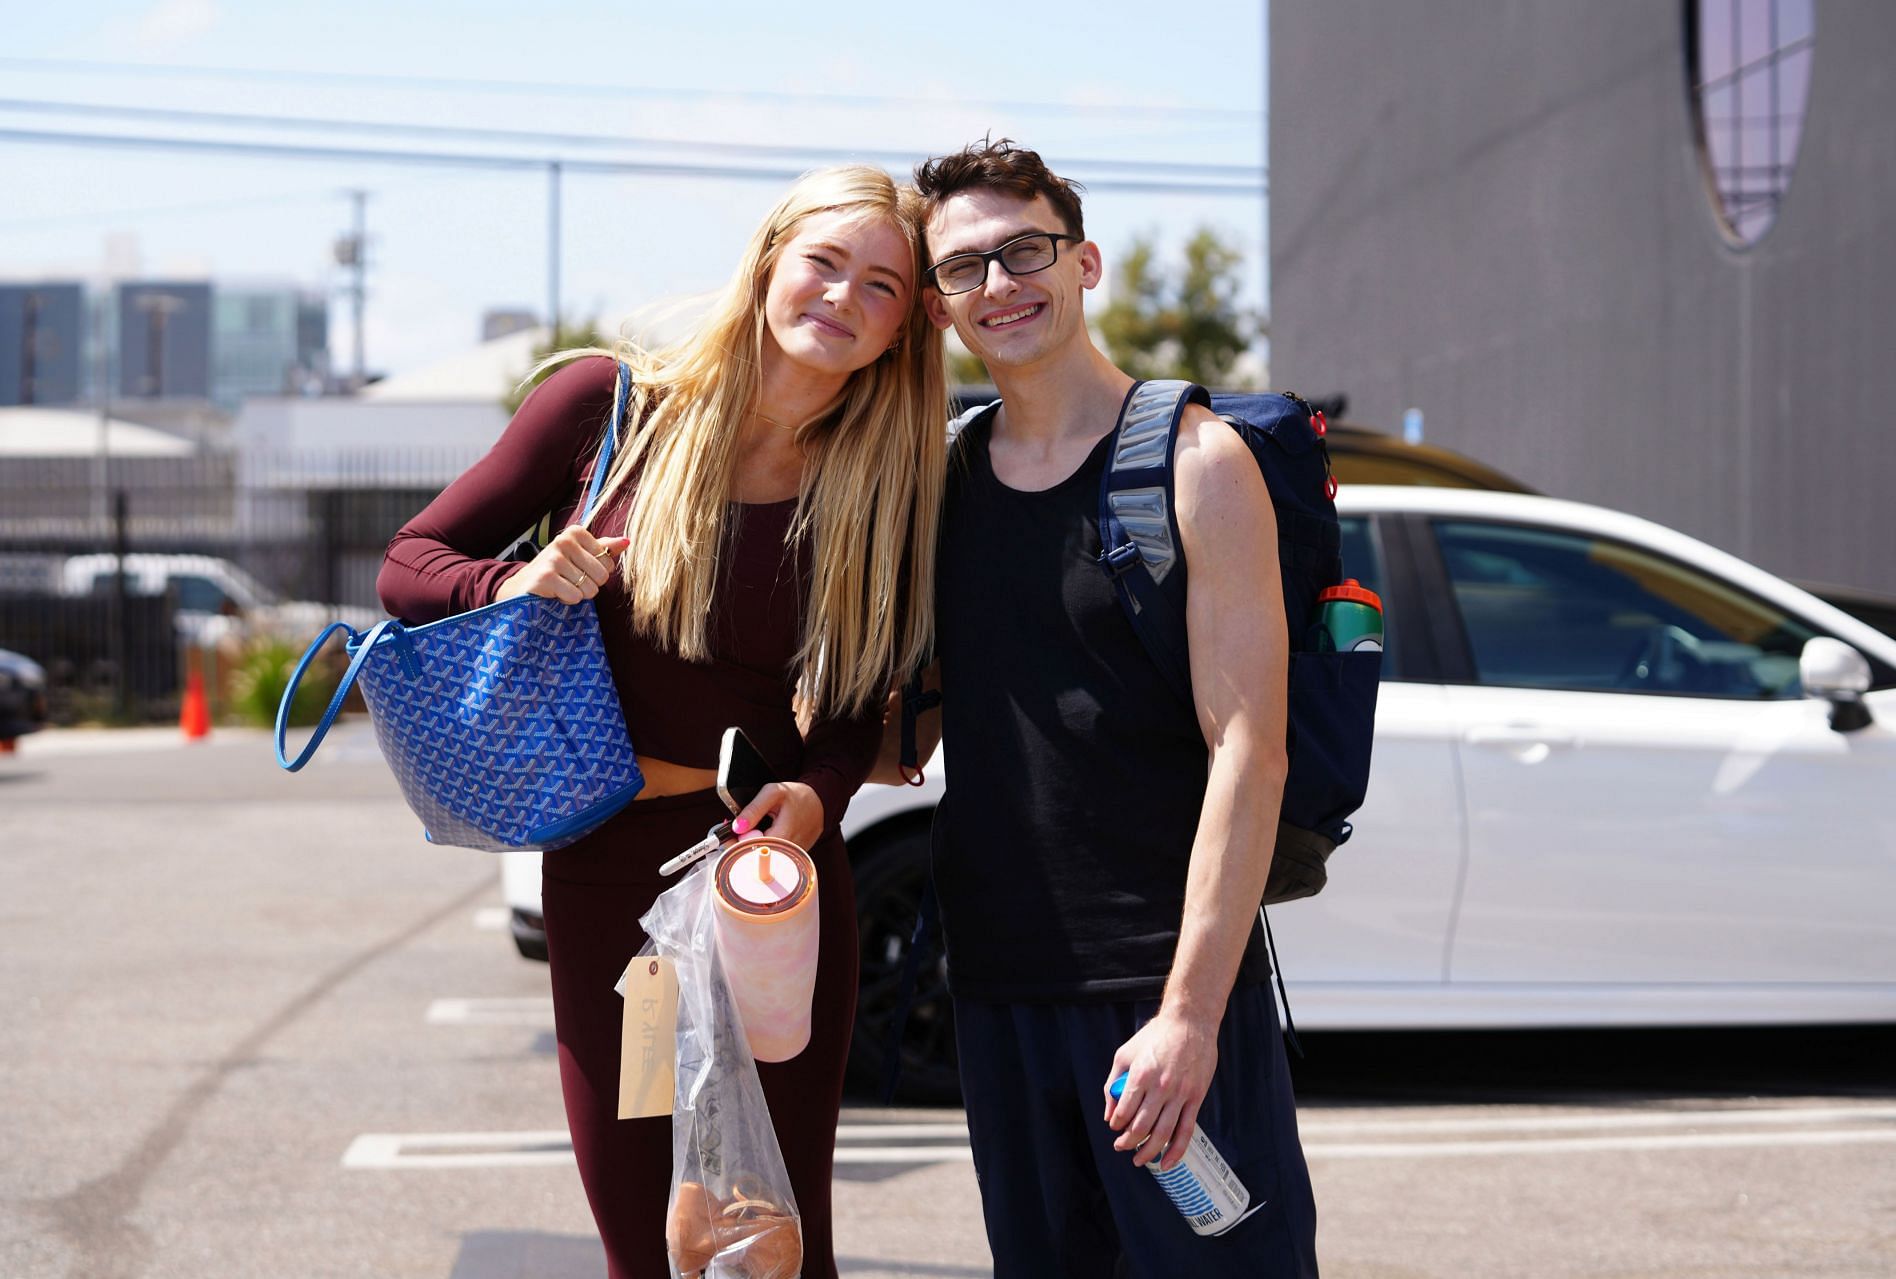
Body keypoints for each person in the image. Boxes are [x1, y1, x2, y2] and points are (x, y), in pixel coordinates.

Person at [378, 165, 948, 1279]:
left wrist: (819, 796)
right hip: (607, 874)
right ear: (771, 260)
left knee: (777, 1243)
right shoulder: (612, 407)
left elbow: (850, 710)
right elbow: (409, 563)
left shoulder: (881, 480)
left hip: (766, 883)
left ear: (900, 331)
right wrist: (512, 582)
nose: (841, 296)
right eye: (824, 262)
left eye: (881, 286)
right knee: (647, 1240)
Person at [898, 139, 1318, 1275]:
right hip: (996, 989)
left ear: (1086, 263)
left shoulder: (1196, 462)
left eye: (1024, 250)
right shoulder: (941, 483)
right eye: (964, 268)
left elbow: (1252, 751)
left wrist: (1189, 1015)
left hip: (1160, 993)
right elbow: (922, 725)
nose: (1000, 284)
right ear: (939, 309)